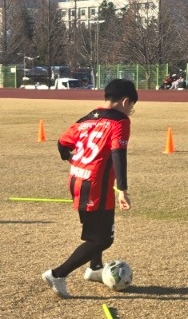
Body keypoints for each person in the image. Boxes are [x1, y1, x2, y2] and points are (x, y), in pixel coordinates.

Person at [41, 79, 136, 296]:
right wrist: (122, 190)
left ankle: (94, 268)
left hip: (76, 179)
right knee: (102, 239)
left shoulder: (87, 118)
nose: (131, 111)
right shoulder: (120, 121)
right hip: (96, 184)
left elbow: (62, 143)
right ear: (124, 101)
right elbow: (118, 155)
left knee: (95, 231)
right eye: (132, 106)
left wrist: (73, 159)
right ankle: (58, 274)